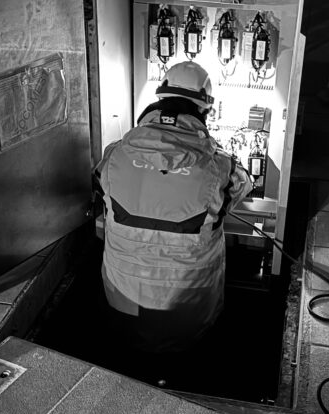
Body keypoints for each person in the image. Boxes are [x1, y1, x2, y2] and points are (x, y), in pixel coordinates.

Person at [94, 60, 252, 358]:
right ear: (205, 110)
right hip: (190, 309)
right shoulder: (220, 166)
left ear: (158, 101)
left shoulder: (114, 155)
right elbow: (243, 185)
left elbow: (101, 192)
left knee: (128, 355)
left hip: (122, 300)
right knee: (189, 357)